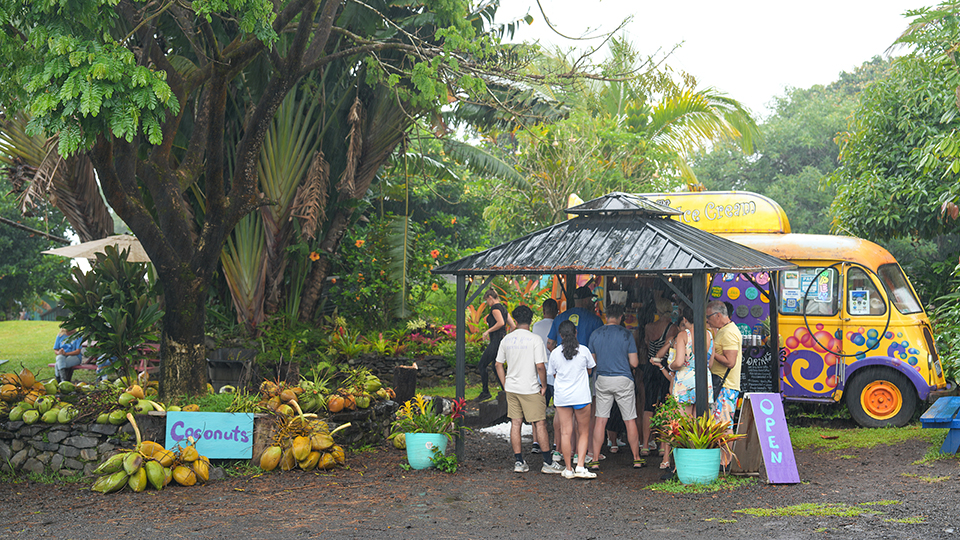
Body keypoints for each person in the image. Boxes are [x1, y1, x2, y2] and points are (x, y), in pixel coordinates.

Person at [495, 305, 562, 474]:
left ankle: (519, 462)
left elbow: (498, 364)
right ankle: (547, 463)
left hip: (512, 388)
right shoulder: (535, 339)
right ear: (531, 320)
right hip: (531, 388)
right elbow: (540, 366)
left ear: (515, 320)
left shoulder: (506, 339)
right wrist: (544, 385)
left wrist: (505, 384)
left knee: (515, 423)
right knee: (540, 423)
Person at [649, 305, 713, 469]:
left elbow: (678, 362)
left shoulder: (683, 335)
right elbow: (710, 363)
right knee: (698, 423)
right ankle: (697, 460)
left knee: (682, 422)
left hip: (685, 380)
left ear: (685, 319)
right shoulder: (708, 334)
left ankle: (680, 465)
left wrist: (670, 366)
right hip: (704, 378)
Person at [546, 285, 604, 462]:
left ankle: (559, 451)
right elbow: (599, 347)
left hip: (562, 380)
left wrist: (562, 362)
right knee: (585, 420)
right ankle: (587, 453)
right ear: (586, 300)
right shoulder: (594, 320)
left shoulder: (560, 318)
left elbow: (550, 344)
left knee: (563, 419)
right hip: (583, 378)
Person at [587, 303, 643, 471]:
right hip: (623, 379)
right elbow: (634, 363)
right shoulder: (626, 334)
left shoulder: (595, 334)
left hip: (603, 378)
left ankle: (595, 458)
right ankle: (636, 458)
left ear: (606, 316)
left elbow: (592, 362)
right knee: (629, 420)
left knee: (600, 420)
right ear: (620, 317)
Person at [547, 320, 597, 479]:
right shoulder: (584, 351)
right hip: (581, 396)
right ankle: (580, 466)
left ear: (560, 335)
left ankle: (568, 469)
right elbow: (590, 371)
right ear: (576, 332)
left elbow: (554, 374)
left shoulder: (555, 353)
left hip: (562, 398)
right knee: (583, 432)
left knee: (565, 433)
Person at [706, 300, 743, 468]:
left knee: (724, 424)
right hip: (723, 385)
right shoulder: (724, 330)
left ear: (718, 315)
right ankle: (722, 460)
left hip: (726, 386)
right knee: (720, 423)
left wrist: (711, 352)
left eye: (709, 317)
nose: (707, 320)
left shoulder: (729, 333)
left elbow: (730, 361)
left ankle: (726, 462)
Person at [639, 298, 678, 457]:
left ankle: (645, 444)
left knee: (648, 405)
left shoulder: (649, 327)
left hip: (650, 367)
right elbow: (671, 348)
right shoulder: (672, 328)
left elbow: (648, 345)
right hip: (664, 367)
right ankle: (663, 445)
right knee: (664, 405)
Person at [531, 298, 560, 462]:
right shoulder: (558, 324)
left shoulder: (536, 326)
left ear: (543, 311)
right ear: (557, 311)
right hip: (555, 372)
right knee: (558, 409)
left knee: (538, 409)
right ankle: (556, 442)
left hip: (539, 371)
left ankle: (536, 441)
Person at [477, 289, 513, 401]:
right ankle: (505, 390)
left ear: (490, 298)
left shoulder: (495, 308)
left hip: (496, 341)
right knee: (495, 366)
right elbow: (513, 326)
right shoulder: (503, 309)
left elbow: (501, 322)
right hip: (501, 340)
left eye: (487, 300)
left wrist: (487, 331)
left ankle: (485, 392)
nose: (487, 303)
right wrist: (507, 338)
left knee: (482, 364)